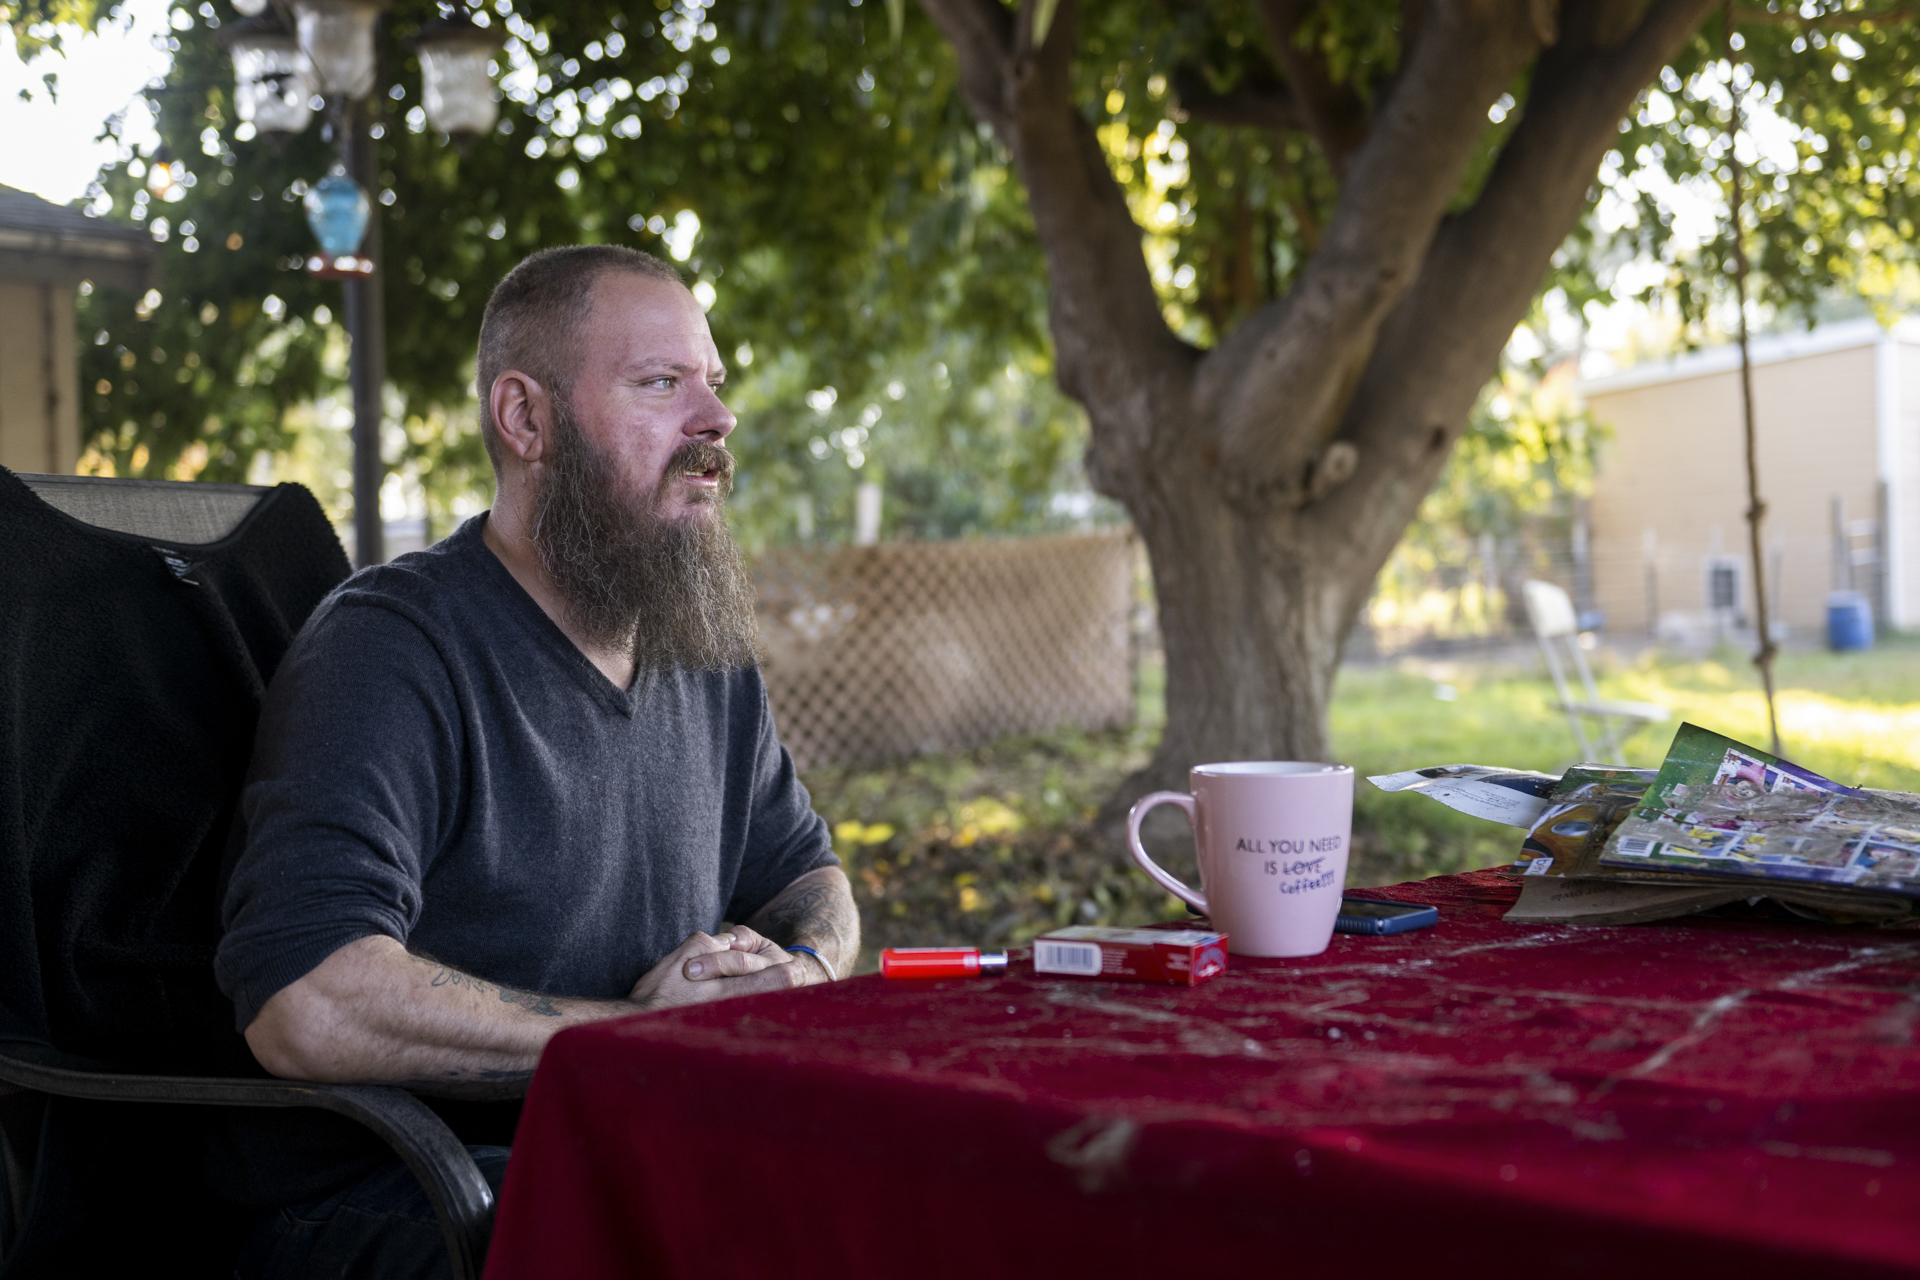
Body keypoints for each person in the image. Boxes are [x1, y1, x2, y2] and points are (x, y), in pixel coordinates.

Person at [213, 245, 858, 1278]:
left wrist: (799, 974)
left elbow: (806, 875)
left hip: (620, 1150)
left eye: (714, 382)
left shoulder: (703, 649)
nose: (715, 419)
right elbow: (307, 994)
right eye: (661, 382)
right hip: (401, 1200)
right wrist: (633, 1036)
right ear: (527, 419)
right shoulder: (394, 646)